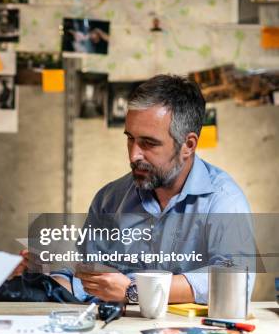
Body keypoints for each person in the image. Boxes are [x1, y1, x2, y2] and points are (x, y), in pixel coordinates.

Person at [15, 75, 256, 305]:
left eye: (149, 143)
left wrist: (134, 290)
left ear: (188, 145)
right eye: (130, 138)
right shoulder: (109, 199)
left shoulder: (223, 201)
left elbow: (236, 279)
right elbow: (92, 282)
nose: (134, 155)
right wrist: (46, 278)